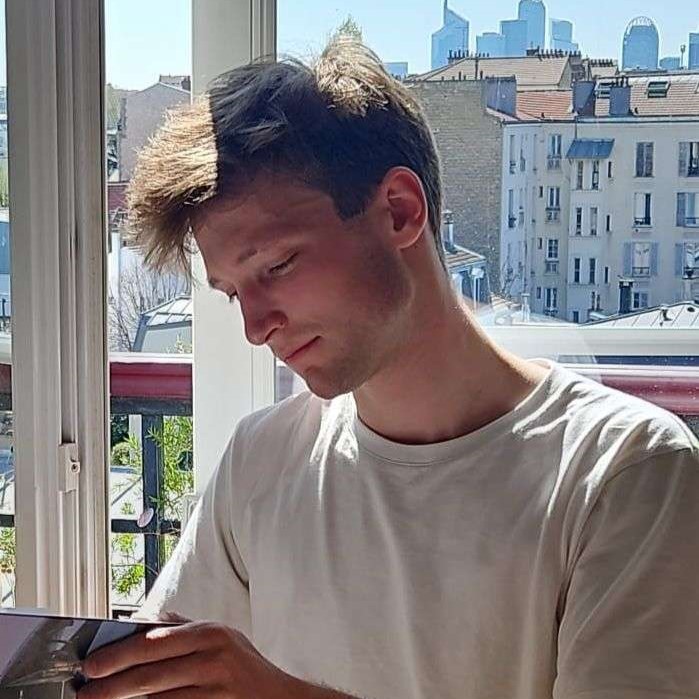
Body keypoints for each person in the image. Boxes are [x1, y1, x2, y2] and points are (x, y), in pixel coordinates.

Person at [78, 38, 699, 699]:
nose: (256, 326)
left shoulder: (629, 471)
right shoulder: (261, 460)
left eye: (277, 266)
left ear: (400, 211)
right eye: (233, 293)